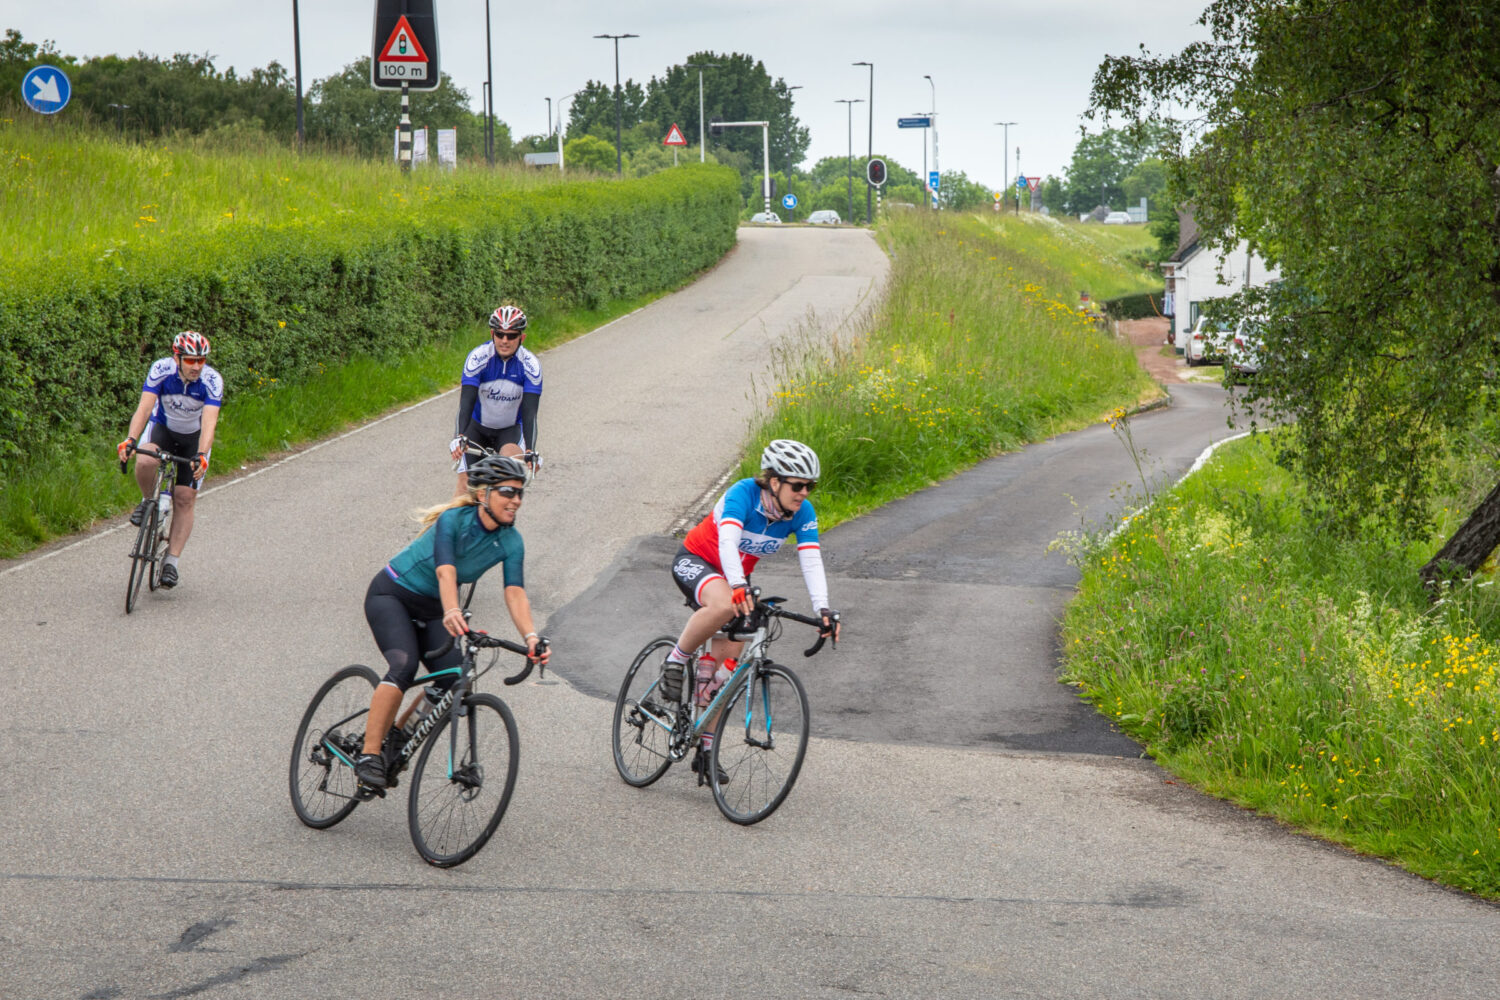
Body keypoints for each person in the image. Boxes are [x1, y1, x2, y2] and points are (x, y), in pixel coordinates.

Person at [353, 453, 548, 789]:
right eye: (507, 492)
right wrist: (453, 610)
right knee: (403, 666)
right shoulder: (454, 520)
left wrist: (531, 637)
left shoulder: (511, 541)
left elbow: (515, 593)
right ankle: (370, 754)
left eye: (520, 493)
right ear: (483, 493)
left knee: (455, 678)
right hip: (392, 595)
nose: (515, 500)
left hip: (433, 609)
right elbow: (446, 570)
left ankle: (398, 738)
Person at [665, 439, 841, 781]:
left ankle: (705, 747)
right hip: (697, 560)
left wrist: (823, 609)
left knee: (722, 674)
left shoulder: (801, 513)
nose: (804, 492)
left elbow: (811, 560)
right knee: (723, 604)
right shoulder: (743, 494)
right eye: (797, 485)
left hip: (736, 578)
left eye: (810, 486)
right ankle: (675, 660)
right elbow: (728, 542)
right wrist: (738, 586)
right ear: (774, 481)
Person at [116, 330, 224, 590]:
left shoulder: (212, 380)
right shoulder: (161, 369)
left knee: (185, 498)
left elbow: (209, 423)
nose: (196, 366)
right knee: (144, 461)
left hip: (193, 439)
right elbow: (144, 408)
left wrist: (201, 455)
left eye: (201, 361)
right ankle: (147, 500)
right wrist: (131, 439)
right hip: (162, 429)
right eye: (190, 360)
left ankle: (171, 563)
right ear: (177, 358)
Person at [450, 303, 541, 496]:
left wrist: (531, 450)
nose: (505, 340)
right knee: (465, 489)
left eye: (511, 335)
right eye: (500, 334)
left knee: (509, 478)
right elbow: (466, 402)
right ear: (492, 334)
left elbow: (530, 412)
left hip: (509, 432)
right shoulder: (478, 358)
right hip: (477, 429)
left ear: (522, 337)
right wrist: (459, 437)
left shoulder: (530, 366)